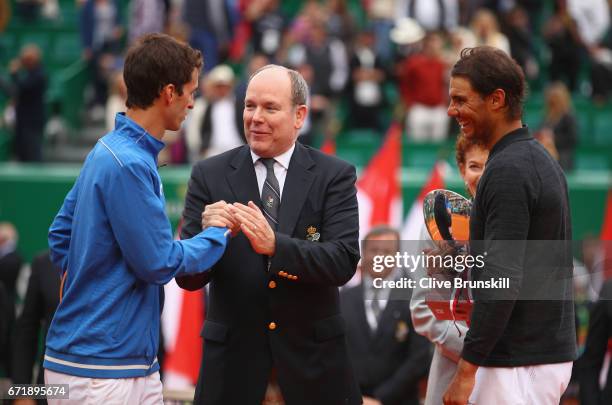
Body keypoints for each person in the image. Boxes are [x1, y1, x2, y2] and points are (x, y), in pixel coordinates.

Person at [43, 33, 231, 404]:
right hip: (100, 370)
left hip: (123, 364)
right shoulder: (126, 161)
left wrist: (90, 289)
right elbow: (158, 262)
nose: (193, 103)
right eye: (190, 92)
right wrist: (217, 233)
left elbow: (59, 235)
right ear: (168, 92)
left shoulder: (114, 151)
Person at [177, 64, 361, 405]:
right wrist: (206, 238)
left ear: (299, 116)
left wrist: (277, 246)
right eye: (250, 106)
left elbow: (343, 261)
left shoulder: (334, 175)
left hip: (315, 371)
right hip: (231, 373)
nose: (255, 117)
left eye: (270, 108)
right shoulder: (208, 174)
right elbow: (188, 279)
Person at [443, 46, 576, 404]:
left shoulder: (508, 170)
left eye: (461, 99)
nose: (451, 110)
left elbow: (502, 280)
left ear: (497, 99)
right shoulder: (535, 159)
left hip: (516, 363)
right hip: (535, 356)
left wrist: (466, 371)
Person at [410, 135, 488, 405]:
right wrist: (478, 351)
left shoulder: (521, 224)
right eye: (475, 166)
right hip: (452, 371)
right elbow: (423, 310)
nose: (483, 175)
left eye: (492, 167)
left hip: (515, 372)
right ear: (462, 170)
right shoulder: (438, 228)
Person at [341, 225, 430, 405]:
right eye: (374, 250)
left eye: (387, 251)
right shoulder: (342, 299)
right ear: (362, 254)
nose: (380, 257)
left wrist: (381, 398)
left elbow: (420, 356)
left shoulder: (415, 298)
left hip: (399, 400)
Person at [11, 251, 60, 405]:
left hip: (109, 385)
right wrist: (22, 392)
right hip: (53, 387)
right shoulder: (44, 263)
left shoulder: (118, 257)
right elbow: (27, 328)